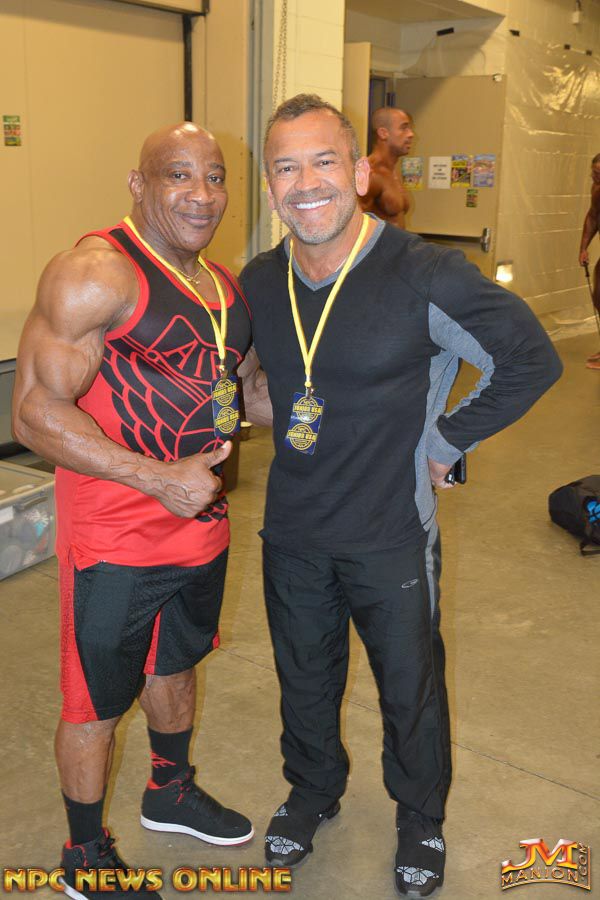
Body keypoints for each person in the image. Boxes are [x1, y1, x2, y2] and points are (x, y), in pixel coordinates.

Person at [239, 94, 562, 898]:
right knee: (303, 676)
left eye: (323, 162)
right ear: (270, 186)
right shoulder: (260, 280)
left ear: (357, 173)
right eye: (286, 167)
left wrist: (447, 441)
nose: (305, 183)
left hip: (391, 531)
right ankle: (312, 790)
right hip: (293, 528)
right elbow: (249, 375)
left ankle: (420, 817)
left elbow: (530, 358)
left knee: (409, 686)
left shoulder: (423, 272)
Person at [12, 123, 269, 899]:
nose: (201, 194)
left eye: (214, 176)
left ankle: (169, 789)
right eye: (178, 175)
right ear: (139, 184)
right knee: (94, 700)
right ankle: (83, 856)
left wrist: (350, 415)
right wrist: (155, 478)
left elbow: (248, 397)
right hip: (116, 535)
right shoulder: (96, 273)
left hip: (200, 525)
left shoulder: (225, 289)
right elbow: (34, 413)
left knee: (177, 664)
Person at [359, 106, 414, 228]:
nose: (411, 134)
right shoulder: (370, 174)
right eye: (403, 128)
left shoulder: (392, 171)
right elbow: (352, 224)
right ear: (383, 133)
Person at [578, 152, 600, 370]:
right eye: (594, 172)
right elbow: (593, 217)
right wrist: (583, 247)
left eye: (599, 173)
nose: (595, 177)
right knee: (599, 298)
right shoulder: (597, 189)